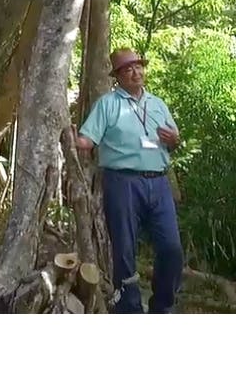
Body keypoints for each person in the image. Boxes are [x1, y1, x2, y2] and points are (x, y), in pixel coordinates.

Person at [73, 47, 183, 313]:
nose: (135, 72)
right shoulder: (108, 104)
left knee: (171, 248)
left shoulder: (157, 104)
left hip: (158, 182)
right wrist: (68, 137)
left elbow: (174, 140)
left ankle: (162, 307)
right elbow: (88, 140)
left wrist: (174, 141)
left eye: (138, 67)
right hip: (122, 183)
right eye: (128, 69)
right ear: (118, 77)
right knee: (123, 249)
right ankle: (129, 309)